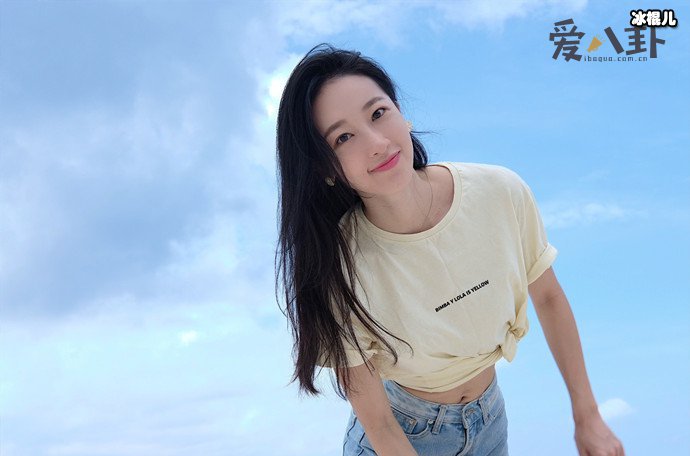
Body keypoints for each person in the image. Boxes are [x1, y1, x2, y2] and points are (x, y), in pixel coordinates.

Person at [275, 43, 625, 456]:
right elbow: (381, 426)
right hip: (399, 436)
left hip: (490, 420)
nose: (377, 143)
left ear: (401, 113)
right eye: (344, 137)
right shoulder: (336, 265)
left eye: (378, 113)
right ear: (325, 167)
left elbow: (547, 296)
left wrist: (587, 416)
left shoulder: (499, 192)